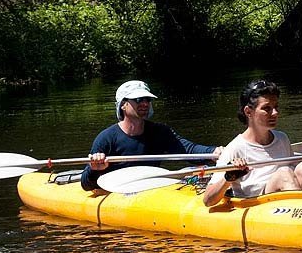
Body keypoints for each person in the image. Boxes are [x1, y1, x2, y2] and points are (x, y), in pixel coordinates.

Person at [202, 80, 302, 206]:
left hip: (284, 196)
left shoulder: (282, 138)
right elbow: (208, 200)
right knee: (284, 174)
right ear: (248, 112)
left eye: (276, 107)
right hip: (258, 204)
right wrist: (228, 178)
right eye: (267, 108)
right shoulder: (234, 148)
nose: (275, 113)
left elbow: (296, 173)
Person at [81, 80, 223, 191]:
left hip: (150, 187)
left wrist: (214, 152)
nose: (144, 103)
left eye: (147, 100)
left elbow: (188, 151)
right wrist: (95, 169)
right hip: (116, 191)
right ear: (123, 105)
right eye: (138, 99)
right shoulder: (106, 138)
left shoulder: (160, 132)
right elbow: (86, 184)